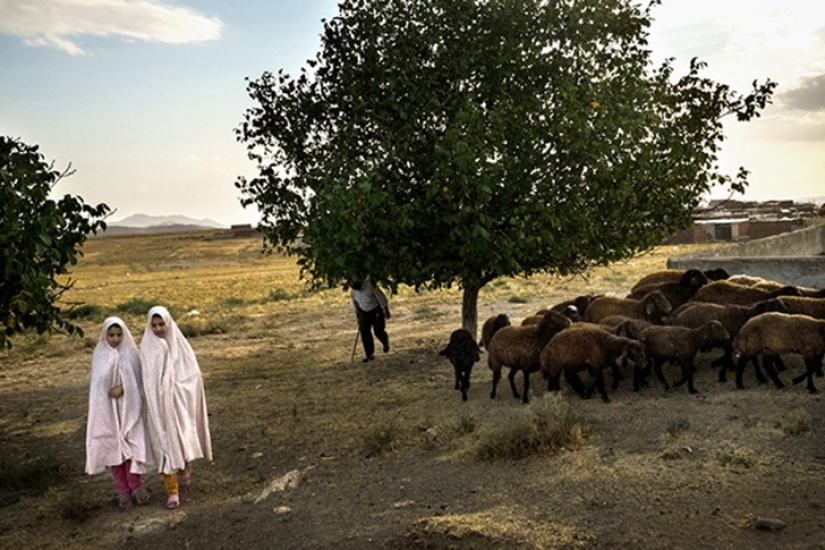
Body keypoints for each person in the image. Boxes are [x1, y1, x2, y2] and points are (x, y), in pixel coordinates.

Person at [139, 306, 212, 509]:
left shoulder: (179, 345)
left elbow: (192, 375)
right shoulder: (147, 347)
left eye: (162, 324)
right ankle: (172, 493)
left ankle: (184, 469)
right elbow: (146, 378)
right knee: (164, 446)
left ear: (168, 323)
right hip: (157, 408)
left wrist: (175, 387)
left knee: (180, 443)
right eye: (154, 325)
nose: (158, 328)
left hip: (178, 406)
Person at [85, 317, 152, 508]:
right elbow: (98, 385)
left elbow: (138, 382)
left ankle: (136, 485)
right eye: (111, 335)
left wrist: (124, 389)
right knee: (114, 451)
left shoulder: (131, 353)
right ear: (105, 335)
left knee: (131, 448)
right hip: (108, 410)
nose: (115, 339)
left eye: (118, 335)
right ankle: (123, 491)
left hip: (128, 408)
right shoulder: (100, 354)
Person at [350, 278, 391, 362]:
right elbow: (355, 303)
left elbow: (381, 298)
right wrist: (358, 315)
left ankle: (385, 341)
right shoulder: (353, 291)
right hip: (363, 312)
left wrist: (386, 310)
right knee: (364, 332)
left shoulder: (370, 285)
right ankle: (369, 354)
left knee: (378, 331)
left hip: (376, 310)